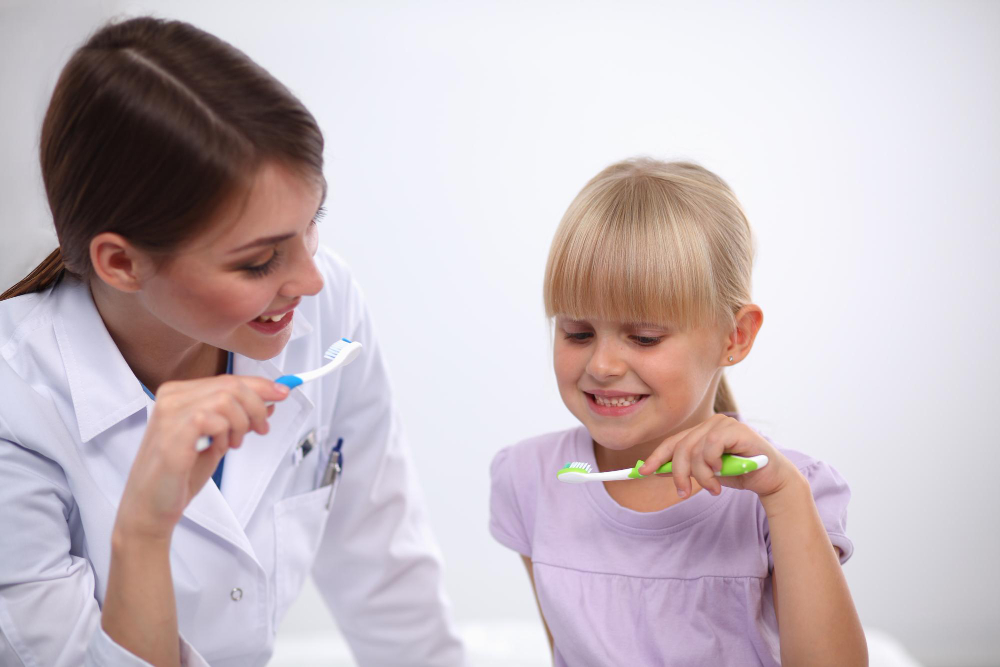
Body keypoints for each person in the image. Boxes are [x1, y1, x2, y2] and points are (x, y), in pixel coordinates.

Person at [0, 16, 465, 667]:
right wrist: (143, 531)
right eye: (257, 262)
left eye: (312, 225)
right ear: (121, 263)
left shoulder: (324, 302)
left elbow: (383, 564)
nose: (308, 278)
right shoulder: (15, 406)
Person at [489, 158, 867, 666]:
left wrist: (782, 495)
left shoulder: (787, 492)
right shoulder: (530, 479)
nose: (601, 365)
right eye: (577, 332)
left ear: (735, 337)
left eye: (644, 337)